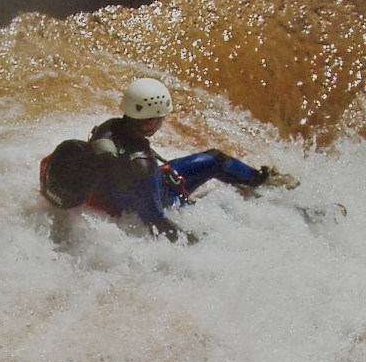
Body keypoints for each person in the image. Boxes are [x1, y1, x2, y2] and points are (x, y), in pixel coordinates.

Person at [83, 77, 298, 242]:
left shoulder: (108, 128)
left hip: (121, 195)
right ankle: (259, 180)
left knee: (211, 159)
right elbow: (156, 222)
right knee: (215, 160)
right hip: (153, 195)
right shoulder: (143, 165)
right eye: (160, 119)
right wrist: (197, 243)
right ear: (149, 124)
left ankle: (260, 179)